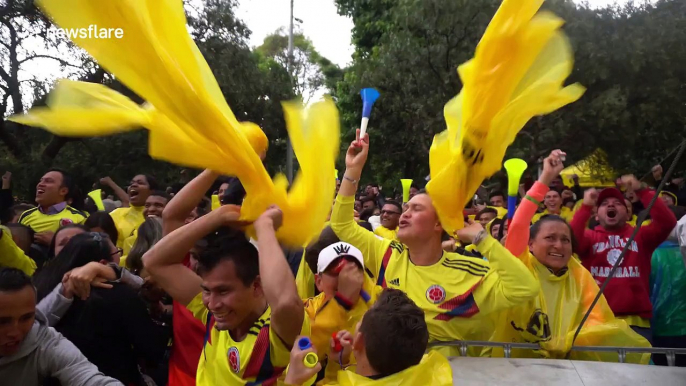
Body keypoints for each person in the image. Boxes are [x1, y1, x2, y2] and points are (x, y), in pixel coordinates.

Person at [331, 130, 539, 354]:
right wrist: (353, 170)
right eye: (406, 208)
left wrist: (482, 239)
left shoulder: (469, 272)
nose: (405, 214)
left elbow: (525, 288)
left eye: (417, 209)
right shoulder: (388, 254)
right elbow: (341, 224)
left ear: (438, 225)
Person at [493, 150, 649, 361]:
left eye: (565, 240)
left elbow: (598, 321)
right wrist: (546, 177)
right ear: (530, 244)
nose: (559, 245)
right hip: (514, 367)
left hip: (569, 369)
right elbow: (519, 223)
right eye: (550, 238)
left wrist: (569, 341)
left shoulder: (580, 276)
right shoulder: (519, 263)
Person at [143, 205, 309, 385]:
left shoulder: (274, 333)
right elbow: (154, 261)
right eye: (207, 290)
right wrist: (220, 215)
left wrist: (265, 227)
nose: (212, 304)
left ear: (256, 285)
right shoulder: (214, 316)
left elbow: (286, 303)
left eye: (223, 291)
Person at [33, 232, 169, 385]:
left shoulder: (40, 285)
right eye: (117, 252)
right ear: (103, 262)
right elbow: (152, 349)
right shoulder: (119, 295)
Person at [571, 175, 677, 342]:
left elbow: (667, 222)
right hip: (597, 320)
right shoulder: (590, 238)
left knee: (638, 368)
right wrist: (585, 207)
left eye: (618, 203)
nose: (611, 205)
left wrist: (642, 190)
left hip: (636, 323)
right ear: (596, 216)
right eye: (604, 204)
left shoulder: (641, 235)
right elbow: (571, 239)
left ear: (628, 214)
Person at [283, 289, 452, 386]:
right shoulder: (435, 373)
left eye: (359, 323)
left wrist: (291, 381)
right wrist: (336, 365)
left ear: (359, 341)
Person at [0, 267, 122, 385]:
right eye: (2, 322)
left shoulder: (45, 342)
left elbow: (87, 377)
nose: (15, 332)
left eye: (26, 318)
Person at [302, 240, 380, 382]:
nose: (345, 278)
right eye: (336, 272)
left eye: (352, 270)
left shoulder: (381, 299)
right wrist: (342, 303)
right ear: (318, 281)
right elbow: (300, 352)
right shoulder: (307, 310)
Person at [19, 168, 87, 246]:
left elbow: (82, 251)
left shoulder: (79, 218)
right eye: (41, 180)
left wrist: (55, 242)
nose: (40, 184)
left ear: (63, 191)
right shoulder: (26, 215)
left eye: (48, 181)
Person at [109, 174, 157, 249]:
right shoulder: (115, 213)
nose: (133, 185)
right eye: (131, 183)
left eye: (140, 183)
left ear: (151, 191)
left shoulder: (156, 216)